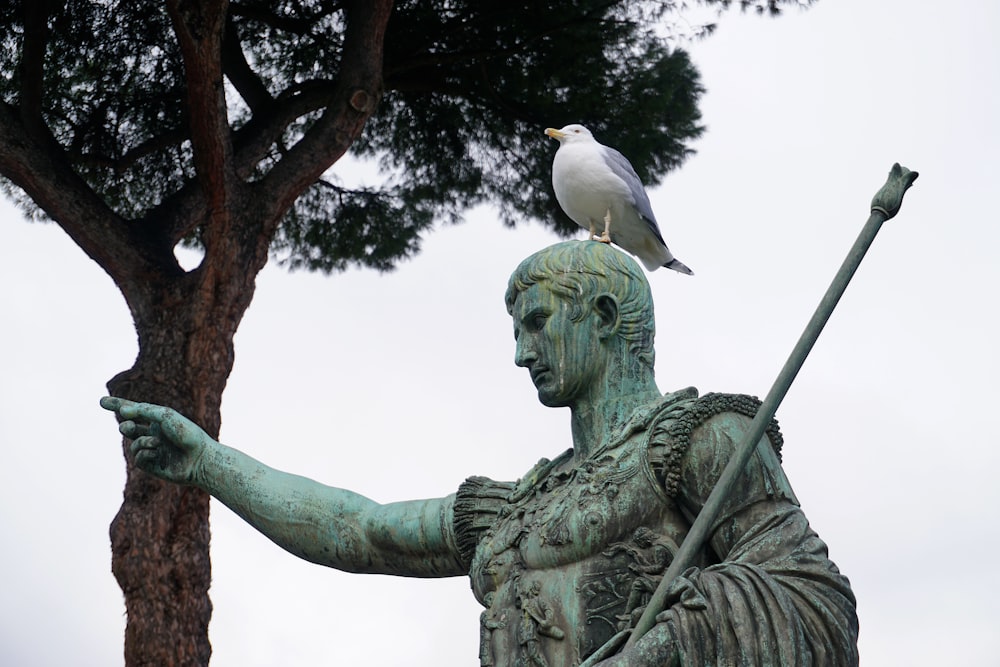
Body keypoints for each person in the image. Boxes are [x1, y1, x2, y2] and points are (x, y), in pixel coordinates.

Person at [102, 240, 858, 666]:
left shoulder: (702, 439)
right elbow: (359, 530)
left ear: (601, 316)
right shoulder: (519, 502)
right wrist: (208, 464)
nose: (520, 353)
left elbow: (815, 606)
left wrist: (661, 650)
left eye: (535, 324)